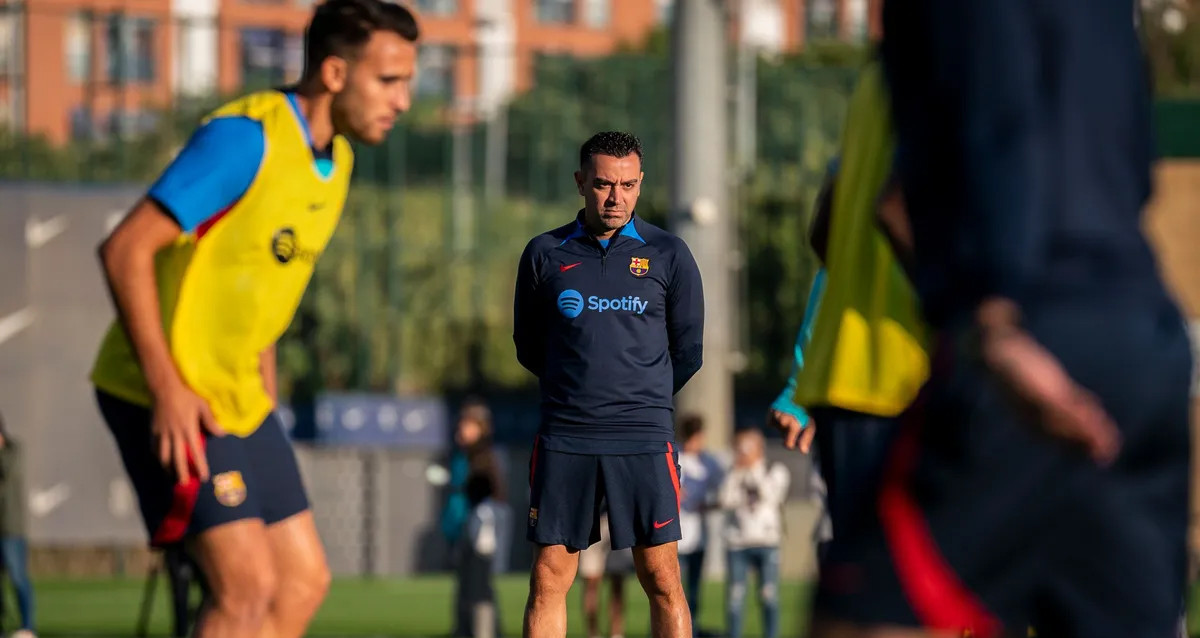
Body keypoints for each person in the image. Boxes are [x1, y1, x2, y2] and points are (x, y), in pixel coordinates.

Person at [811, 2, 1193, 638]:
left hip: (1028, 336)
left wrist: (990, 320)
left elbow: (998, 124)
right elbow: (1131, 157)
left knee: (862, 615)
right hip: (1141, 336)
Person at [87, 2, 420, 635]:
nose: (403, 100)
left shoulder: (338, 161)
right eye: (389, 80)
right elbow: (124, 249)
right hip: (165, 391)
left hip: (240, 399)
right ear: (333, 73)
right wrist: (167, 388)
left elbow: (262, 288)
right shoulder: (247, 138)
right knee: (244, 590)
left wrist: (264, 391)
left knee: (302, 583)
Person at [513, 131, 705, 638]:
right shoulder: (544, 254)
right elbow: (528, 347)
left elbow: (688, 352)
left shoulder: (669, 254)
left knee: (663, 578)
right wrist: (578, 390)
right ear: (581, 183)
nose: (615, 197)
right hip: (566, 436)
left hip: (642, 437)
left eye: (626, 185)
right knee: (549, 578)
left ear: (640, 184)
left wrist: (638, 396)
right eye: (602, 184)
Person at [447, 398, 510, 637]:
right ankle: (465, 629)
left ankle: (484, 631)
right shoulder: (464, 455)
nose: (461, 430)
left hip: (481, 525)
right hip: (466, 523)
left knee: (480, 584)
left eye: (467, 425)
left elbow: (492, 494)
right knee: (467, 583)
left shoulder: (485, 455)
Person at [718, 427, 790, 638]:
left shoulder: (774, 470)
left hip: (766, 542)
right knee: (735, 598)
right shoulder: (732, 472)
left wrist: (754, 469)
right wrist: (737, 471)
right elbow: (724, 500)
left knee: (769, 596)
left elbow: (770, 496)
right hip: (737, 542)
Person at [675, 414, 724, 635]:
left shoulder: (709, 463)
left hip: (698, 537)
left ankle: (690, 630)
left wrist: (707, 504)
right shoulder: (674, 456)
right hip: (674, 537)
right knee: (669, 589)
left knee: (693, 590)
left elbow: (723, 494)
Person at [458, 473, 509, 638]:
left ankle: (482, 631)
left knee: (478, 597)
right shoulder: (497, 509)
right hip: (485, 559)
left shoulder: (481, 511)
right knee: (484, 595)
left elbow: (477, 540)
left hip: (478, 559)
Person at [0, 414, 34, 638]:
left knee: (18, 576)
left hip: (11, 528)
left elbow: (7, 472)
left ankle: (28, 626)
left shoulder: (13, 451)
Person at [578, 513, 631, 638]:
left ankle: (616, 633)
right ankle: (593, 633)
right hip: (592, 518)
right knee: (591, 583)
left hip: (617, 518)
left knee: (617, 583)